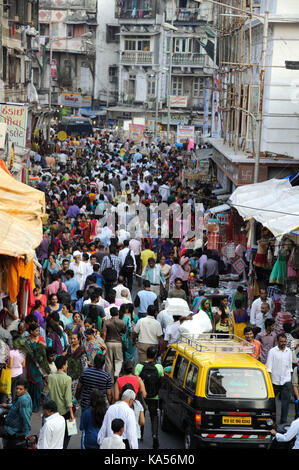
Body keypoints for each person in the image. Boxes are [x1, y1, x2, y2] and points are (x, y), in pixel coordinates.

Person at [135, 346, 164, 449]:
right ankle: (155, 435)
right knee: (154, 416)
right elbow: (161, 380)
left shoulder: (139, 366)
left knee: (140, 414)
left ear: (146, 354)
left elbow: (136, 380)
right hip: (154, 396)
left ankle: (140, 434)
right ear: (155, 356)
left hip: (142, 396)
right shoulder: (159, 367)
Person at [48, 355, 75, 449]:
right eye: (66, 364)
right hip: (65, 411)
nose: (67, 366)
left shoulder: (50, 377)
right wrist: (72, 414)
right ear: (63, 366)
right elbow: (68, 399)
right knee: (69, 433)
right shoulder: (67, 379)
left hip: (53, 410)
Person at [266, 334, 293, 424]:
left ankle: (283, 423)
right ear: (277, 341)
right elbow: (268, 367)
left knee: (285, 404)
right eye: (281, 341)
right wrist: (269, 382)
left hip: (286, 380)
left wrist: (290, 380)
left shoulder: (289, 351)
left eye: (284, 341)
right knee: (271, 404)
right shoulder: (272, 351)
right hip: (274, 381)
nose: (283, 343)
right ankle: (271, 422)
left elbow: (290, 367)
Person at [0, 379, 32, 445]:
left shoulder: (23, 400)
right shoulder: (23, 396)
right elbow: (16, 406)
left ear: (26, 390)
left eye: (20, 389)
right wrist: (7, 405)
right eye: (17, 388)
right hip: (10, 424)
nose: (18, 391)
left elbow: (26, 417)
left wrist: (27, 432)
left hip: (13, 429)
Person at [102, 307, 126, 382]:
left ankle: (110, 379)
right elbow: (124, 331)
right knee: (118, 359)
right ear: (118, 313)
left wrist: (103, 344)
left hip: (108, 343)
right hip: (118, 343)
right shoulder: (122, 322)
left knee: (109, 361)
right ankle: (117, 373)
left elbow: (104, 334)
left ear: (110, 313)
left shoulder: (106, 322)